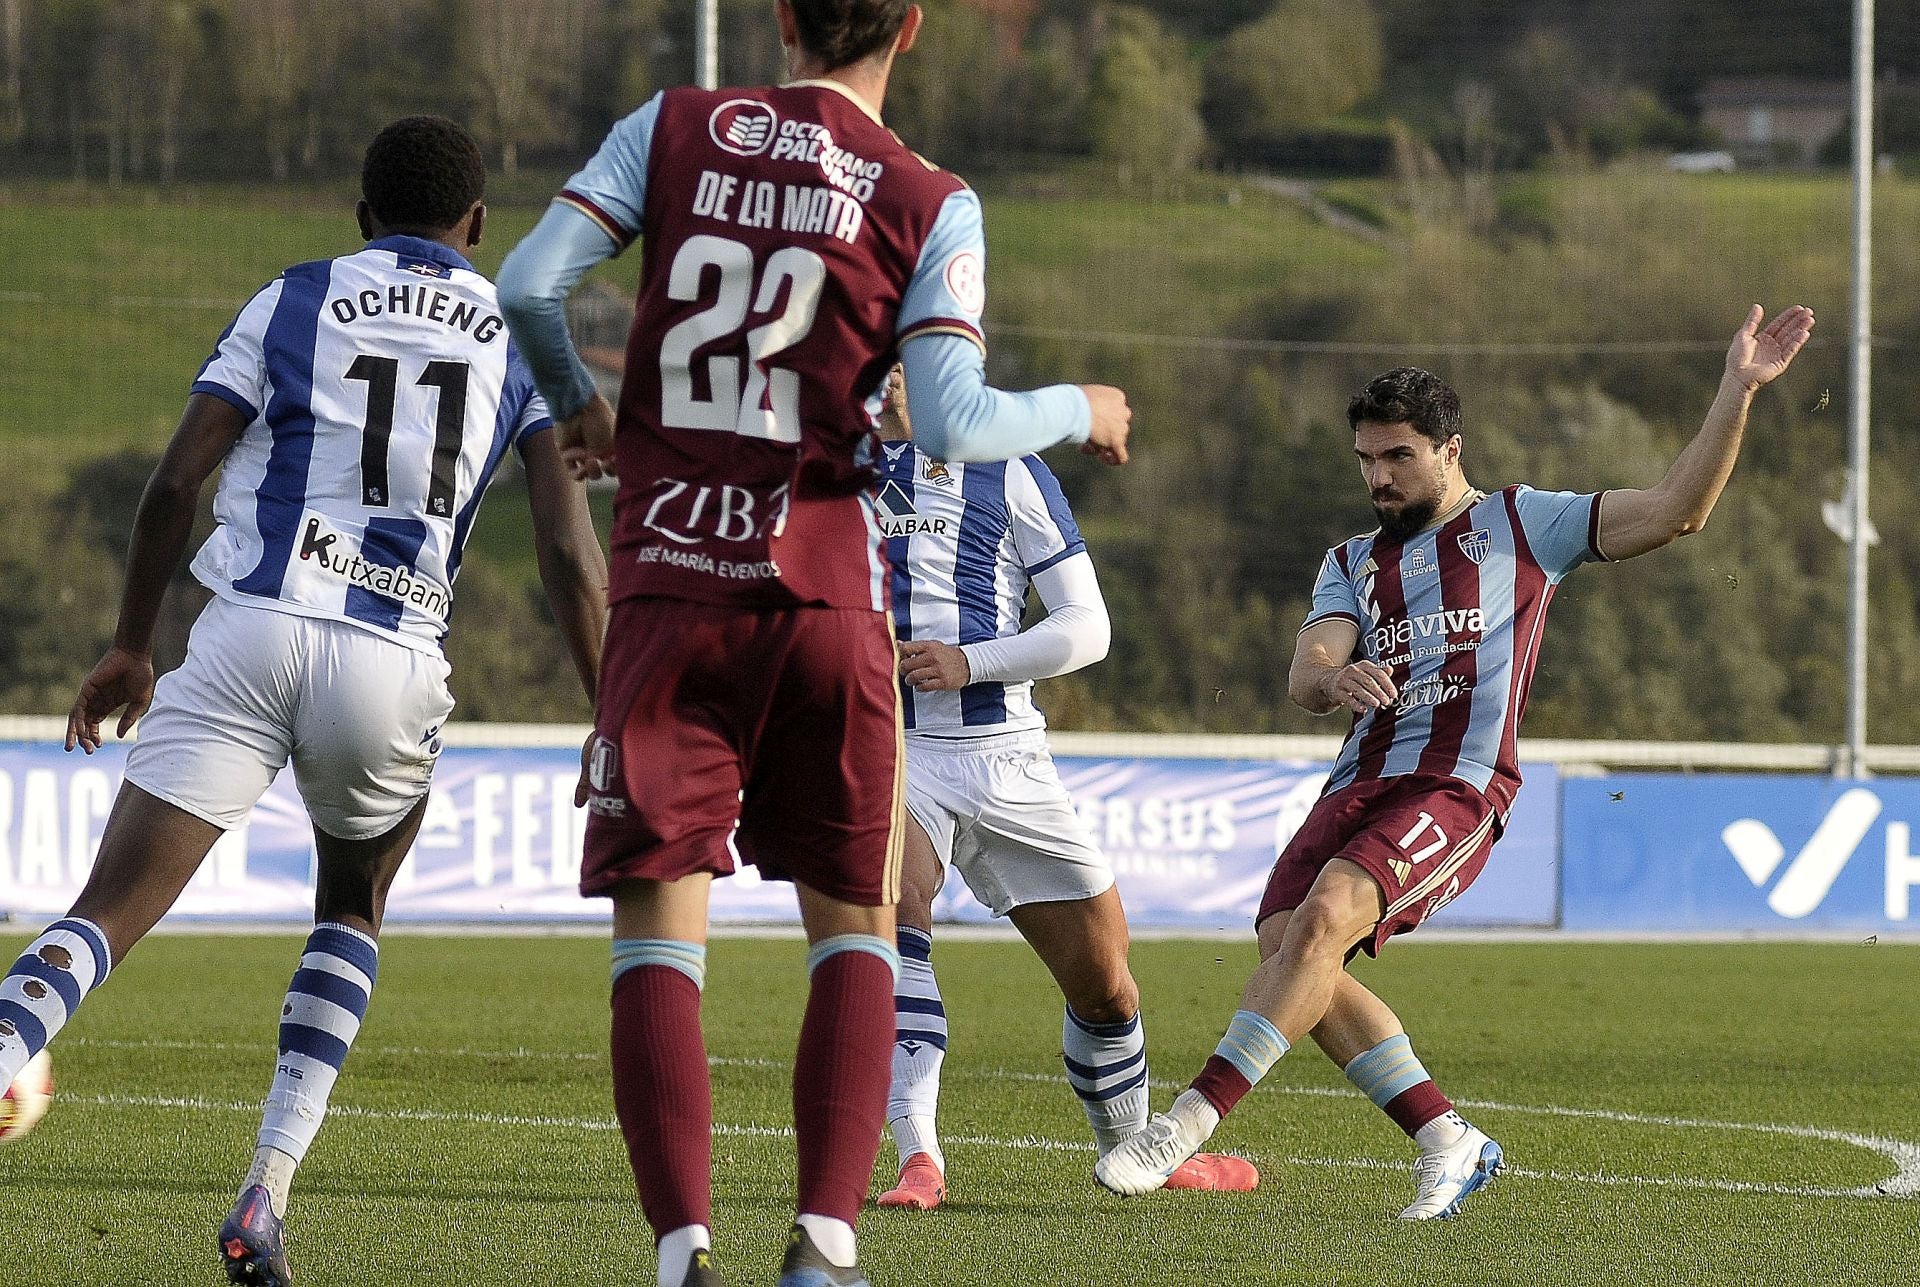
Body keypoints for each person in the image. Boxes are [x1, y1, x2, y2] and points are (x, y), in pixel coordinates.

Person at [495, 3, 1131, 1284]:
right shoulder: (924, 194)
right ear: (909, 28)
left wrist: (585, 408)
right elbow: (947, 419)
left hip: (671, 588)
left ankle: (681, 1250)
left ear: (780, 17)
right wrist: (1081, 407)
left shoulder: (673, 129)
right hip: (829, 606)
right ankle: (826, 1241)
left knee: (660, 942)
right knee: (852, 932)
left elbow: (524, 285)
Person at [0, 116, 607, 1287]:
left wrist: (134, 643)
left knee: (107, 913)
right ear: (477, 227)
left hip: (248, 632)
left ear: (361, 215)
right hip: (389, 661)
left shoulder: (294, 297)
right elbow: (568, 548)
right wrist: (609, 705)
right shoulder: (518, 340)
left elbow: (177, 480)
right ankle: (265, 1196)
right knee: (350, 908)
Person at [1094, 305, 1815, 1216]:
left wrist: (1736, 390)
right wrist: (1336, 677)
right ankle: (1448, 1135)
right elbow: (1306, 671)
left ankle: (1186, 1123)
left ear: (1450, 449)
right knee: (1287, 948)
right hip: (1359, 781)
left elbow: (1679, 511)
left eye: (1397, 457)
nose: (1378, 477)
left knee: (1320, 921)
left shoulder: (1524, 525)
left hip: (1458, 783)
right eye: (1365, 459)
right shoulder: (1353, 559)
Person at [867, 370, 1256, 1210]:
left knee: (1109, 987)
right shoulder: (829, 463)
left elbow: (1089, 625)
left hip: (1006, 756)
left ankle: (1137, 1149)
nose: (893, 371)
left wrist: (973, 662)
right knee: (896, 911)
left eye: (910, 351)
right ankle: (918, 1156)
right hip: (888, 744)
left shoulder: (1004, 463)